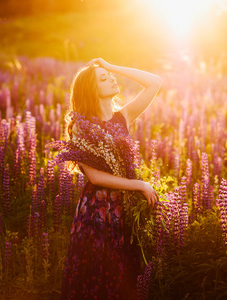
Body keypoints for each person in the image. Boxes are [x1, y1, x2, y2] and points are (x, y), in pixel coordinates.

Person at [60, 58, 162, 299]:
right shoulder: (80, 126)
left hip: (124, 207)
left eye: (110, 76)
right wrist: (139, 185)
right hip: (97, 210)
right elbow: (94, 177)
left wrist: (111, 67)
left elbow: (155, 82)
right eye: (103, 79)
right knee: (94, 272)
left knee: (122, 273)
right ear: (91, 90)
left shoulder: (123, 116)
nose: (112, 79)